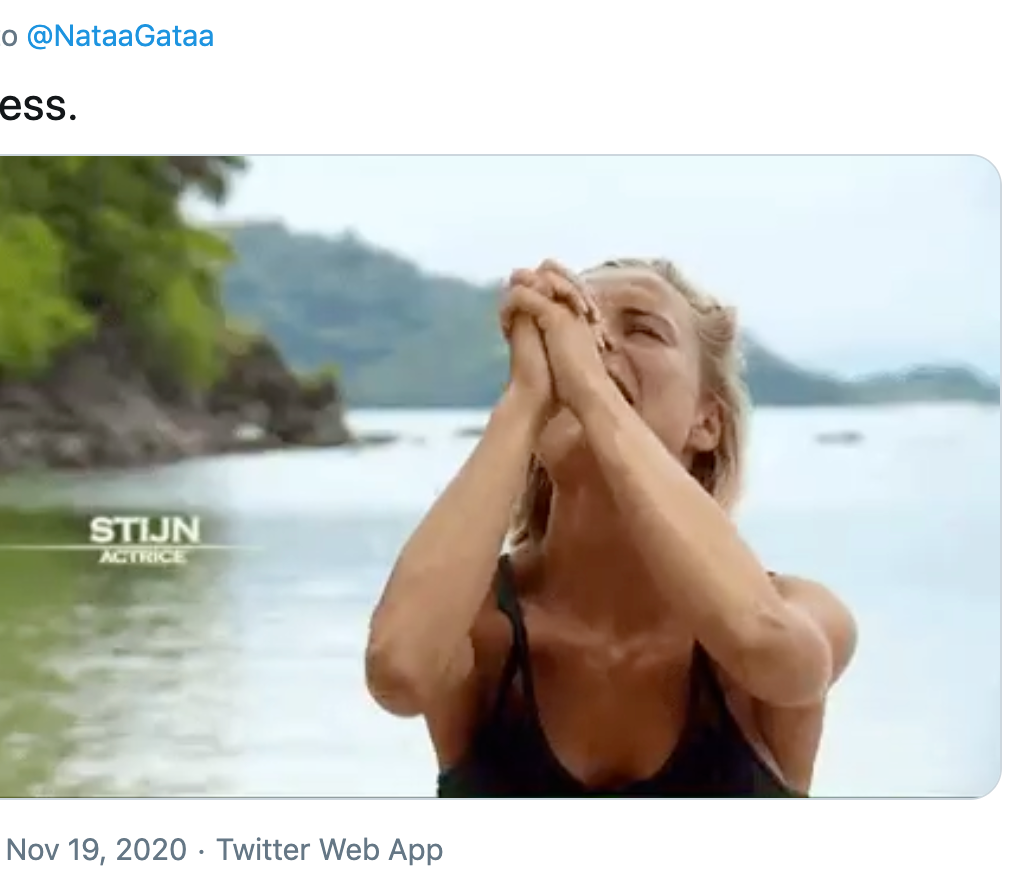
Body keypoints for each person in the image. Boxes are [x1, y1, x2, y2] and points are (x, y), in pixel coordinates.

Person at [364, 257, 857, 797]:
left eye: (642, 329)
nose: (593, 347)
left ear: (707, 422)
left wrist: (594, 393)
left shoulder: (801, 611)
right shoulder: (482, 625)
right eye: (576, 327)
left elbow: (771, 653)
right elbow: (400, 672)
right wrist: (525, 400)